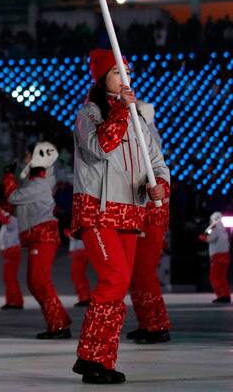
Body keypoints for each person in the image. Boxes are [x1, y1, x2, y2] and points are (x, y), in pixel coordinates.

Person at [70, 48, 169, 385]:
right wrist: (124, 112)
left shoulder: (139, 119)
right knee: (113, 279)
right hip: (97, 211)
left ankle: (97, 358)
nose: (123, 77)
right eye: (115, 72)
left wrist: (160, 188)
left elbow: (157, 164)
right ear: (101, 78)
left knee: (119, 284)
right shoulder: (89, 114)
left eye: (126, 71)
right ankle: (92, 356)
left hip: (130, 212)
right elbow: (101, 147)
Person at [3, 142, 71, 339]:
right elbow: (18, 205)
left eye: (27, 154)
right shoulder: (37, 182)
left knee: (39, 281)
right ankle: (58, 321)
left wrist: (8, 176)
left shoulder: (39, 184)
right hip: (38, 236)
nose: (25, 157)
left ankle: (58, 325)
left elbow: (13, 197)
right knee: (35, 282)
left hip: (42, 236)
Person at [127, 103, 173, 344]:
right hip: (142, 213)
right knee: (137, 274)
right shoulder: (142, 136)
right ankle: (147, 323)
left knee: (144, 273)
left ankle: (157, 325)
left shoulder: (147, 138)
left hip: (150, 216)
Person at [0, 200, 24, 310]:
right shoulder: (11, 220)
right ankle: (11, 300)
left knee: (10, 277)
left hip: (12, 252)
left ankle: (15, 302)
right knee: (8, 278)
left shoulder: (12, 220)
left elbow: (4, 219)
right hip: (10, 252)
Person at [200, 212, 230, 303]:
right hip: (226, 256)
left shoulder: (214, 228)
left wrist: (202, 236)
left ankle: (221, 295)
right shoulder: (224, 230)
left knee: (214, 277)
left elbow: (208, 238)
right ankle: (226, 294)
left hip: (217, 257)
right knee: (222, 277)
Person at [69, 238, 91, 308]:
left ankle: (85, 298)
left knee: (77, 273)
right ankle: (85, 298)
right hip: (81, 248)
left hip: (83, 248)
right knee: (76, 273)